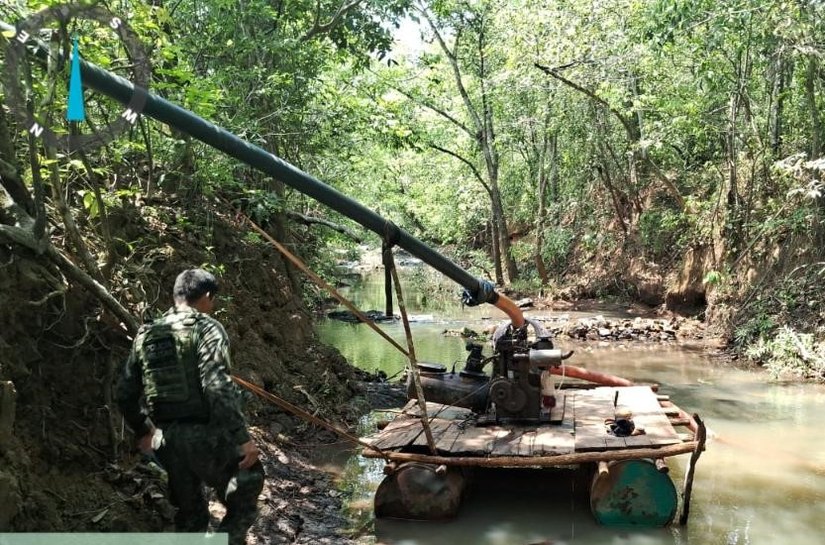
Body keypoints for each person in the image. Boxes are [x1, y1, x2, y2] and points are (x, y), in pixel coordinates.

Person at [116, 268, 264, 545]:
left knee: (190, 513)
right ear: (207, 296)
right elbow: (216, 387)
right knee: (249, 483)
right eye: (214, 299)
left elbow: (124, 393)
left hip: (167, 441)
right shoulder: (207, 328)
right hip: (206, 436)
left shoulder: (146, 333)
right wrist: (243, 439)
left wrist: (143, 430)